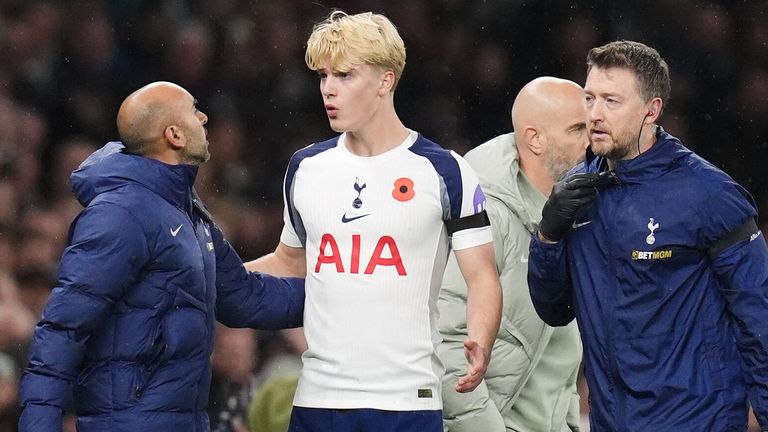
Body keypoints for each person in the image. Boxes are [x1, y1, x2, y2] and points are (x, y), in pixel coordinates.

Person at [244, 10, 502, 432]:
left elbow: (482, 276)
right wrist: (208, 275)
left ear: (386, 81)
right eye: (323, 76)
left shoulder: (446, 171)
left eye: (344, 75)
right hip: (318, 400)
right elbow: (289, 262)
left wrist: (482, 338)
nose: (328, 89)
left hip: (408, 400)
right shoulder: (305, 167)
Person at [18, 81, 305, 432]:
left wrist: (341, 293)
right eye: (194, 110)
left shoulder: (187, 211)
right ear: (174, 135)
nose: (204, 117)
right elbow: (63, 329)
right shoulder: (120, 213)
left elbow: (244, 296)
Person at [527, 40, 768, 431]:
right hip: (611, 420)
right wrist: (548, 237)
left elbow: (759, 317)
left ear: (651, 110)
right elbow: (554, 311)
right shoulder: (575, 192)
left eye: (612, 101)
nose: (595, 114)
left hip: (698, 419)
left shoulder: (709, 194)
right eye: (589, 98)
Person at [439, 77, 587, 431]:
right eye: (577, 129)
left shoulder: (577, 218)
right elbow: (448, 346)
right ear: (535, 139)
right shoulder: (485, 215)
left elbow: (559, 358)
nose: (592, 141)